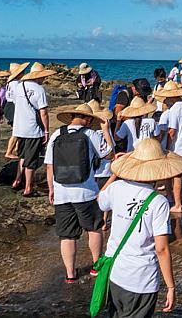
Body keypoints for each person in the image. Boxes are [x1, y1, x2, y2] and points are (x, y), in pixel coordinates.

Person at [98, 138, 182, 316]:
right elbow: (161, 249)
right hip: (142, 279)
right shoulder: (158, 202)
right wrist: (171, 286)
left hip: (116, 274)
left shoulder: (117, 188)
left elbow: (100, 200)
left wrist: (115, 173)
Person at [45, 103, 113, 282]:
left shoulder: (57, 134)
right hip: (86, 191)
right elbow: (109, 154)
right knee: (94, 228)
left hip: (61, 191)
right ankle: (96, 266)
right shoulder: (90, 134)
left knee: (67, 235)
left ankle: (70, 274)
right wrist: (106, 131)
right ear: (88, 119)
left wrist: (51, 188)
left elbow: (50, 165)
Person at [12, 62, 56, 197]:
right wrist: (46, 131)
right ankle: (28, 187)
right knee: (31, 160)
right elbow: (43, 112)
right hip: (33, 128)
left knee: (22, 155)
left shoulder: (19, 86)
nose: (44, 79)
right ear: (38, 77)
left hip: (19, 127)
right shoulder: (39, 90)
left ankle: (17, 179)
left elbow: (15, 103)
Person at [155, 81, 182, 213]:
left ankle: (178, 204)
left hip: (179, 146)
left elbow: (172, 131)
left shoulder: (174, 110)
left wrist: (166, 147)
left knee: (177, 177)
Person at [86, 100, 116, 231]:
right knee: (105, 198)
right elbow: (112, 151)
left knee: (94, 198)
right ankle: (103, 220)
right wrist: (107, 131)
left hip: (93, 171)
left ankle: (97, 220)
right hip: (105, 170)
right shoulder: (104, 132)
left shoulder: (87, 133)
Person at [4, 62, 29, 159]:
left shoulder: (11, 83)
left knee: (18, 130)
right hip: (13, 106)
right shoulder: (15, 84)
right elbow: (16, 98)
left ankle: (17, 149)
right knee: (16, 131)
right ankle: (9, 151)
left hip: (10, 106)